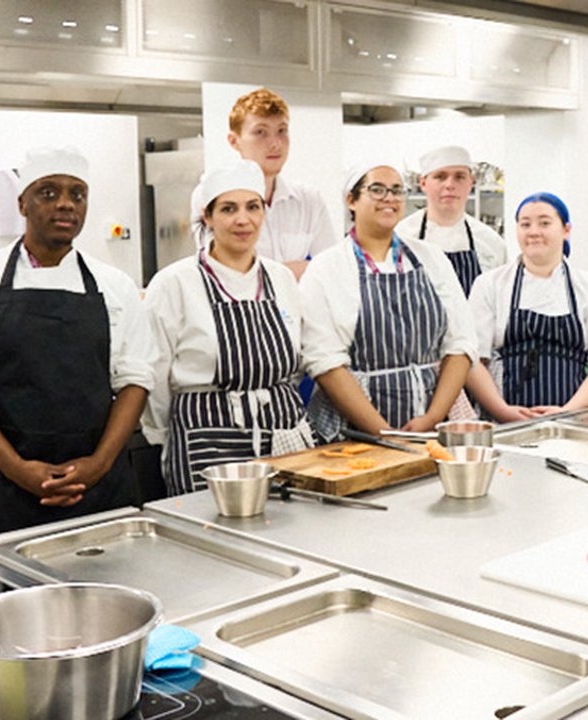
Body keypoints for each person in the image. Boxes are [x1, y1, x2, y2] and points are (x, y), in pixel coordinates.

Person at [0, 148, 156, 534]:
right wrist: (19, 470)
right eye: (48, 193)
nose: (65, 204)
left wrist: (98, 465)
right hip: (7, 486)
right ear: (22, 203)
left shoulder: (115, 286)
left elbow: (135, 380)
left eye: (77, 194)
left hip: (100, 487)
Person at [143, 159, 316, 495]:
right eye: (228, 209)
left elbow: (294, 363)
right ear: (207, 216)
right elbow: (156, 376)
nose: (243, 219)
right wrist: (167, 438)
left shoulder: (281, 279)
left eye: (253, 207)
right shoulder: (174, 283)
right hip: (205, 443)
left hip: (284, 438)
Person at [300, 164, 476, 437]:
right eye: (377, 190)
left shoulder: (431, 259)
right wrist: (384, 432)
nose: (390, 198)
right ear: (351, 200)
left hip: (432, 425)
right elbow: (325, 363)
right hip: (354, 432)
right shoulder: (327, 268)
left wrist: (433, 416)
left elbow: (461, 345)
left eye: (397, 190)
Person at [466, 192, 588, 422]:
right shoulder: (490, 285)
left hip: (575, 425)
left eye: (544, 223)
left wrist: (569, 412)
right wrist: (502, 411)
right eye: (525, 224)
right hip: (506, 425)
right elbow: (473, 361)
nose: (534, 231)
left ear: (566, 230)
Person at [193, 87, 337, 280]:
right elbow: (226, 274)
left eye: (281, 131)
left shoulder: (309, 200)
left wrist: (264, 273)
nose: (275, 143)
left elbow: (331, 271)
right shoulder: (211, 195)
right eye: (261, 132)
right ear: (234, 141)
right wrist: (299, 270)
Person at [395, 145, 507, 296]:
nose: (450, 185)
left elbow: (499, 303)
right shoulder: (401, 237)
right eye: (440, 177)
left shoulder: (491, 242)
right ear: (423, 184)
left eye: (459, 177)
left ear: (470, 183)